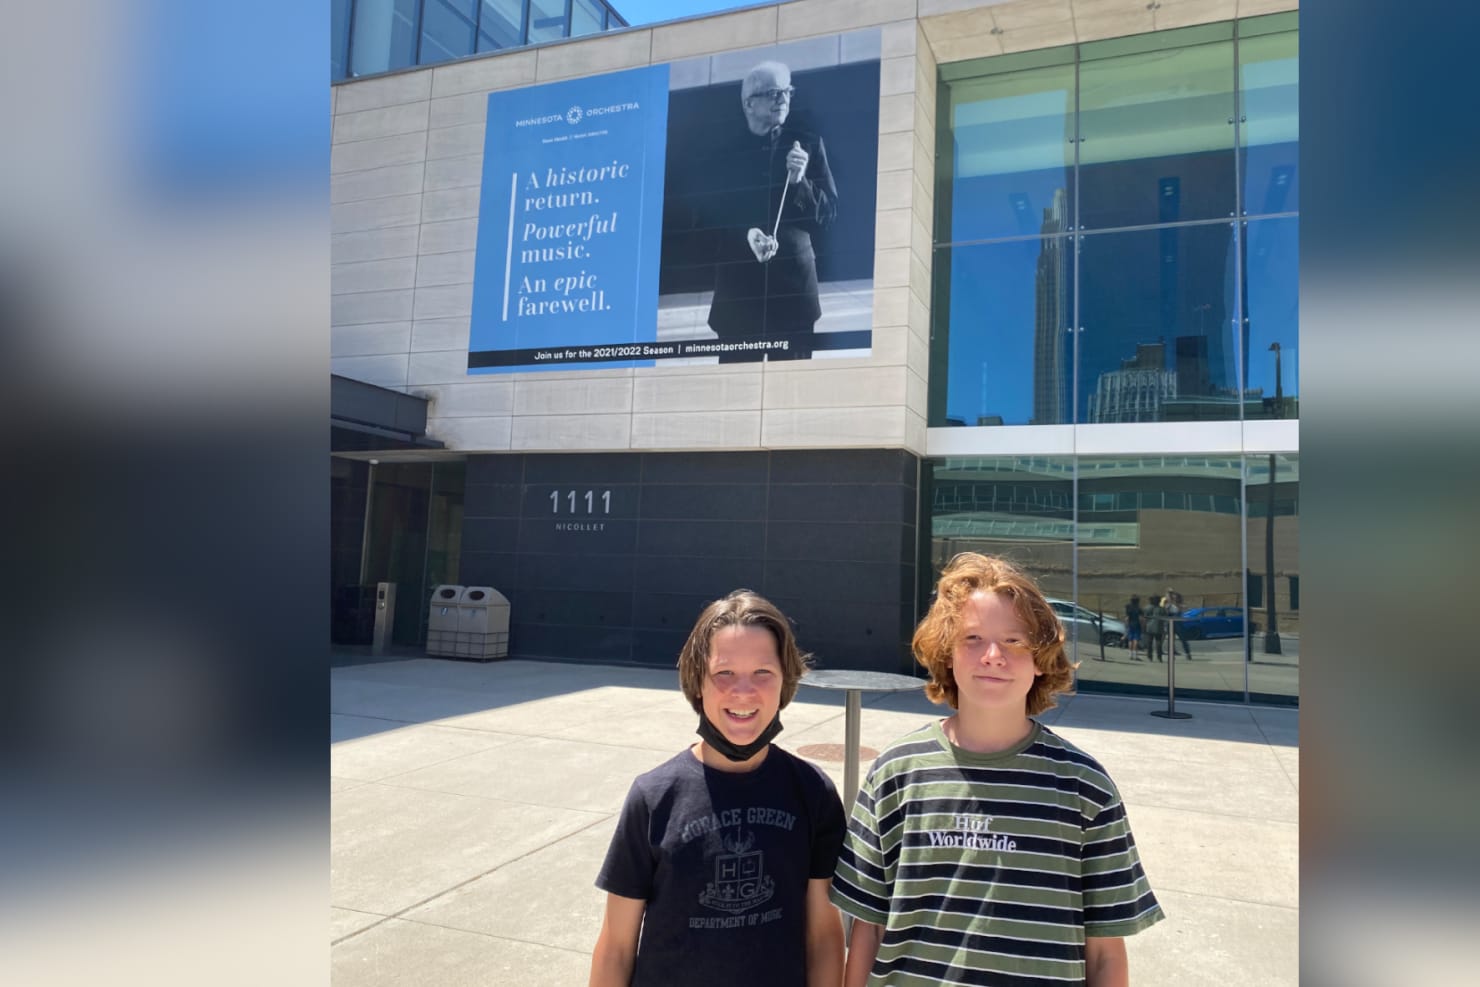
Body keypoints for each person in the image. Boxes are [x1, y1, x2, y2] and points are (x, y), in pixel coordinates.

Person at [831, 553, 1164, 986]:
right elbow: (868, 929)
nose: (992, 655)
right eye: (972, 638)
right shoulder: (895, 772)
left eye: (1014, 641)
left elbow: (1104, 952)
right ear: (947, 653)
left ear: (1042, 659)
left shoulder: (1085, 787)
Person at [588, 589, 845, 987]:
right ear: (697, 684)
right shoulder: (654, 797)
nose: (743, 692)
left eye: (763, 673)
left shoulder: (813, 793)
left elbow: (824, 936)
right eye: (724, 673)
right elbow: (617, 947)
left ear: (784, 683)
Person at [704, 60, 838, 363]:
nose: (783, 99)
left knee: (791, 399)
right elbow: (705, 222)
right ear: (749, 103)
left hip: (794, 298)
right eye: (774, 93)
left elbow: (829, 214)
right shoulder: (725, 155)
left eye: (787, 92)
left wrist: (800, 182)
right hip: (738, 299)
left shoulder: (809, 145)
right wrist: (747, 235)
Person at [1164, 588, 1192, 660]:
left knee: (1183, 639)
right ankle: (1172, 654)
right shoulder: (1168, 605)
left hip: (1178, 624)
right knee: (1171, 640)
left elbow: (1185, 608)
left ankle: (1187, 653)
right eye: (1172, 596)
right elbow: (1166, 609)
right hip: (1172, 624)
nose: (1174, 598)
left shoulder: (1179, 605)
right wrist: (1169, 592)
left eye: (1175, 597)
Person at [1144, 595, 1166, 663]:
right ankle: (1159, 657)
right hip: (1159, 627)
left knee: (1149, 642)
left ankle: (1150, 656)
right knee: (1158, 642)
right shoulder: (1162, 609)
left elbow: (1145, 616)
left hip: (1150, 627)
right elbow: (1165, 616)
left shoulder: (1147, 608)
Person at [1124, 594, 1143, 660]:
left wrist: (1126, 625)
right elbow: (1140, 618)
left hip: (1130, 625)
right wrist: (1142, 625)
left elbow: (1127, 618)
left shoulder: (1128, 607)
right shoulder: (1139, 609)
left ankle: (1130, 654)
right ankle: (1135, 655)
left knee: (1130, 640)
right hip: (1137, 625)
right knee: (1136, 640)